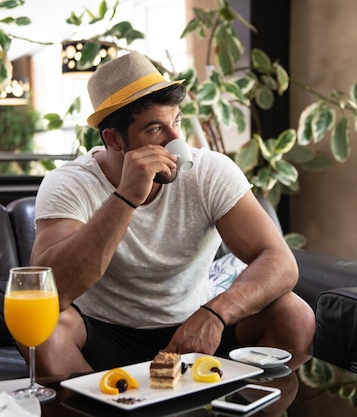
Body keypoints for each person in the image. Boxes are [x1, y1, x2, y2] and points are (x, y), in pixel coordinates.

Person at [28, 51, 315, 376]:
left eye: (176, 121)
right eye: (155, 129)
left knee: (294, 313)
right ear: (114, 139)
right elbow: (48, 291)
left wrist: (215, 314)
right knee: (43, 332)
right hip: (104, 335)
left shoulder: (210, 171)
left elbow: (280, 261)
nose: (177, 140)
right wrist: (126, 197)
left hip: (195, 328)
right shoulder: (69, 183)